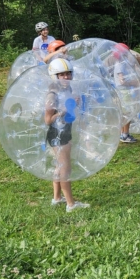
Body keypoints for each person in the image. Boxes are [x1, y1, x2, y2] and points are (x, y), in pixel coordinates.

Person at [45, 58, 90, 212]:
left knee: (59, 166)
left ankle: (57, 198)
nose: (66, 77)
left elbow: (68, 109)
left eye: (68, 74)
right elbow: (48, 120)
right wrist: (63, 110)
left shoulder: (67, 90)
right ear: (54, 76)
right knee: (65, 168)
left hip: (65, 131)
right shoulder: (52, 95)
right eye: (62, 75)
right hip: (58, 134)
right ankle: (71, 204)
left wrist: (73, 103)